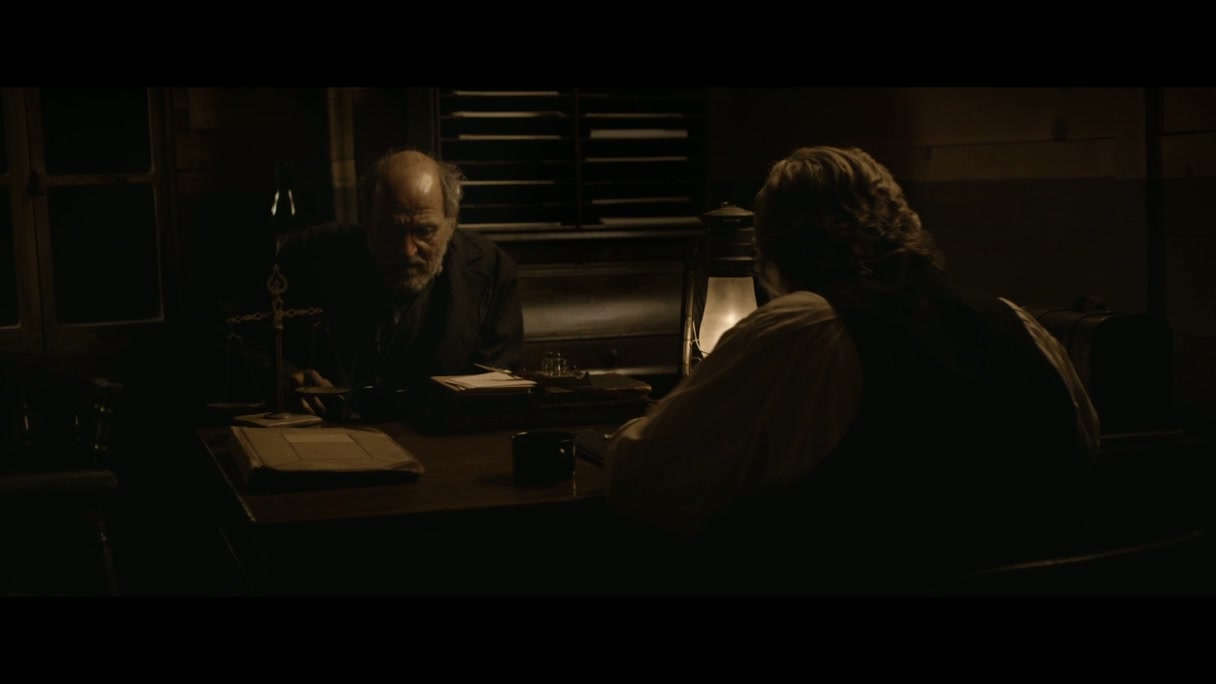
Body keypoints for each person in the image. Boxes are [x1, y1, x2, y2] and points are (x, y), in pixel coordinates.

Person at [603, 146, 1101, 595]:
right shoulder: (1015, 321)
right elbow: (1083, 449)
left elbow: (645, 476)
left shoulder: (803, 328)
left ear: (772, 250)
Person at [261, 149, 524, 416]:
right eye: (391, 231)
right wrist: (286, 378)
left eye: (424, 231)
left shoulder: (492, 272)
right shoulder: (311, 255)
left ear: (451, 223)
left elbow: (497, 387)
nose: (407, 251)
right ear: (366, 219)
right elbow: (248, 346)